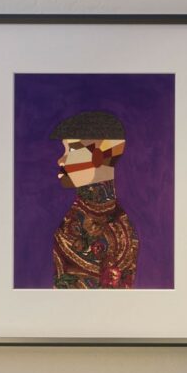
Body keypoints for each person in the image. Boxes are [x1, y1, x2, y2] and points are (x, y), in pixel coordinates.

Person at [49, 108, 139, 289]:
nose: (60, 160)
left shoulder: (118, 231)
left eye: (70, 151)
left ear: (98, 157)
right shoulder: (76, 218)